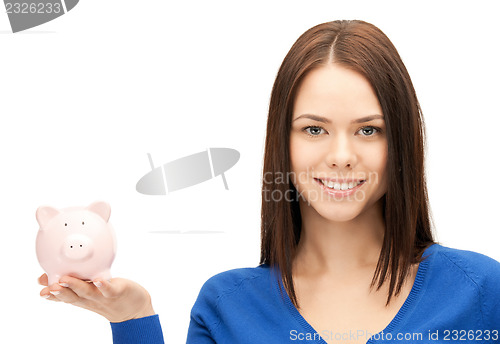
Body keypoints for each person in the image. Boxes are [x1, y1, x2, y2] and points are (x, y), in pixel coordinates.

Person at [38, 20, 500, 344]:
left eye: (368, 129)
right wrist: (132, 319)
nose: (341, 156)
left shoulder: (481, 291)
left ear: (401, 143)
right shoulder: (228, 306)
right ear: (283, 140)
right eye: (314, 129)